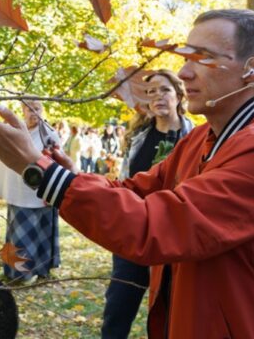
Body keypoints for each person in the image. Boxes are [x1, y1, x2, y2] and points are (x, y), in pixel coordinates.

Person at [0, 9, 254, 337]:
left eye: (203, 58)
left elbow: (157, 225)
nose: (184, 73)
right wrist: (66, 173)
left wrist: (39, 172)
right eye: (185, 58)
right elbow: (135, 191)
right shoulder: (200, 139)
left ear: (253, 69)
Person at [103, 69, 193, 339]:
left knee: (170, 315)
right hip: (134, 234)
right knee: (117, 309)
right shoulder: (137, 138)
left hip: (174, 238)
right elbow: (126, 183)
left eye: (164, 90)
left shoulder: (196, 138)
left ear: (178, 95)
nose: (158, 97)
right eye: (151, 92)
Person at [0, 100, 61, 283]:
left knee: (32, 234)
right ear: (22, 111)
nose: (32, 113)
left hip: (38, 195)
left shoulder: (49, 134)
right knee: (13, 231)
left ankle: (28, 272)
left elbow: (56, 161)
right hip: (17, 192)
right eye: (28, 109)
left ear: (42, 110)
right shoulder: (18, 130)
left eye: (36, 108)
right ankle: (10, 269)